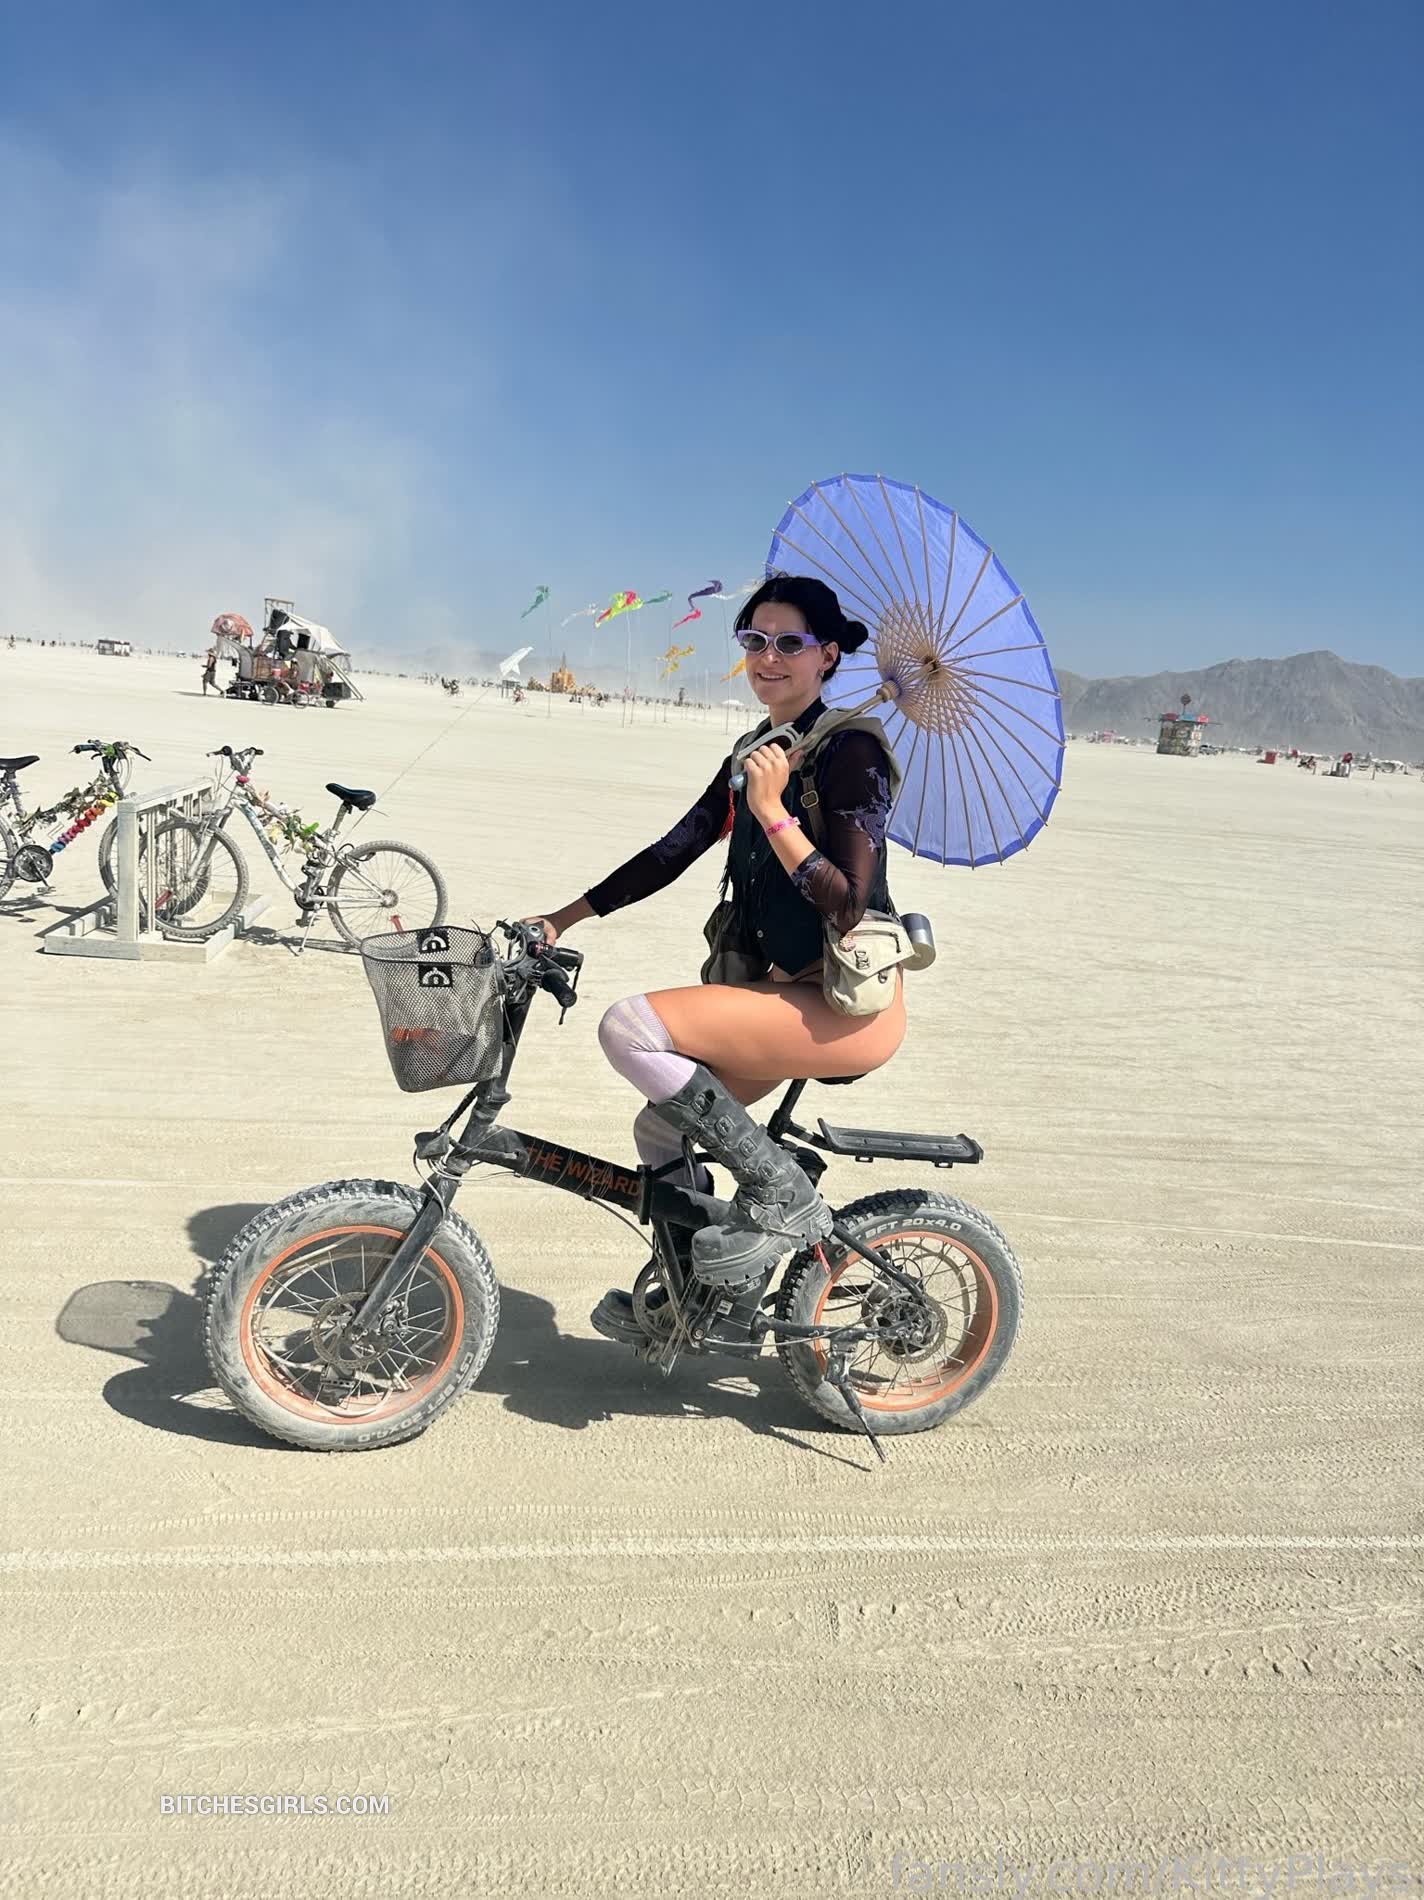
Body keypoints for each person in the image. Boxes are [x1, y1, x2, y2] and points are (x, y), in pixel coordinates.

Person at [528, 575, 905, 1354]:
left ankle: (777, 1189)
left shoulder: (853, 751)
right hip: (780, 999)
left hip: (844, 1008)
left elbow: (847, 904)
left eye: (790, 642)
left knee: (629, 1028)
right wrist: (563, 917)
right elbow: (676, 849)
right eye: (754, 640)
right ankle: (699, 1298)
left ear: (828, 656)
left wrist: (772, 811)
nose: (769, 656)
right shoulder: (754, 752)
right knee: (658, 1128)